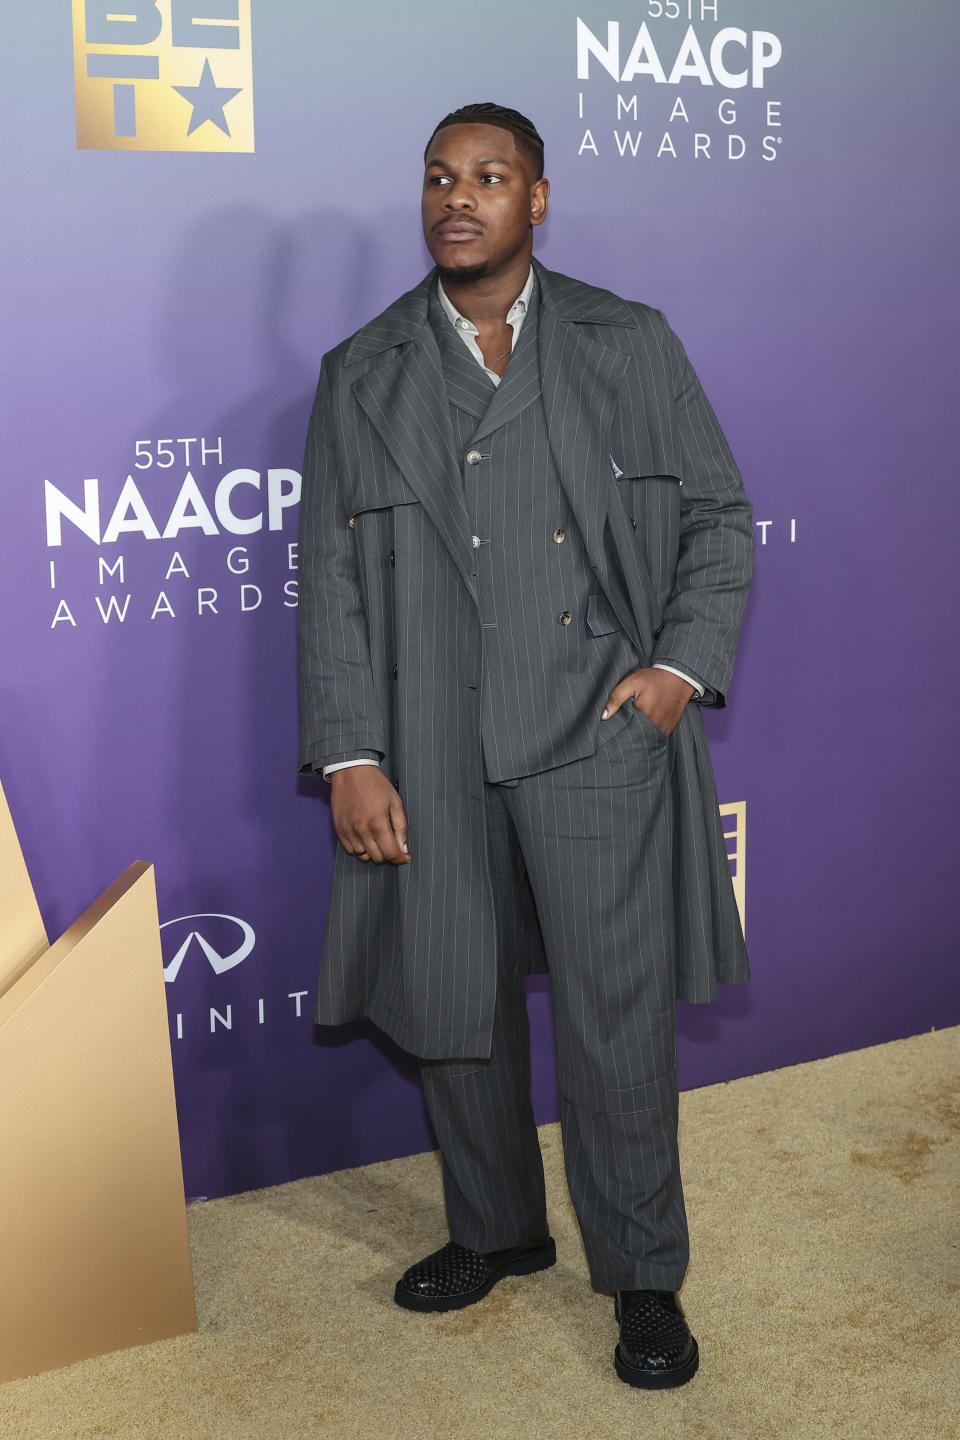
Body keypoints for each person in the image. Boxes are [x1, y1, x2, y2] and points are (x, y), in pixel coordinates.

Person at [298, 102, 753, 1390]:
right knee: (454, 1009)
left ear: (536, 201)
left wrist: (674, 671)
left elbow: (720, 516)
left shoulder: (629, 341)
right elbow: (328, 579)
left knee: (616, 1026)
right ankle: (496, 1233)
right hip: (427, 748)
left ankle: (644, 1277)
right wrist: (349, 753)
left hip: (596, 734)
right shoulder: (363, 369)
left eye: (490, 177)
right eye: (441, 176)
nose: (460, 198)